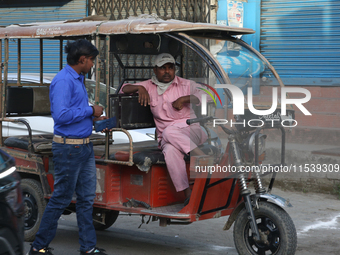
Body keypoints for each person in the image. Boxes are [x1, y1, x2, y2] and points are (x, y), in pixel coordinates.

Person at [27, 39, 108, 255]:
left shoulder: (78, 78)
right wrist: (91, 111)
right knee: (62, 197)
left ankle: (88, 248)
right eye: (91, 60)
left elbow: (75, 111)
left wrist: (95, 118)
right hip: (69, 149)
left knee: (86, 200)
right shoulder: (63, 81)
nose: (93, 64)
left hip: (84, 147)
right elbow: (61, 116)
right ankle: (38, 247)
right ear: (82, 60)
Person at [122, 53, 207, 205]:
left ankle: (201, 157)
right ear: (155, 70)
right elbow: (124, 89)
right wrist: (139, 87)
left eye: (170, 68)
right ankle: (188, 194)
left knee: (170, 131)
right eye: (163, 68)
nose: (167, 71)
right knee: (169, 151)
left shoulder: (185, 84)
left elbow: (208, 95)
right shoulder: (149, 85)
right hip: (167, 138)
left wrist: (184, 99)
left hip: (190, 131)